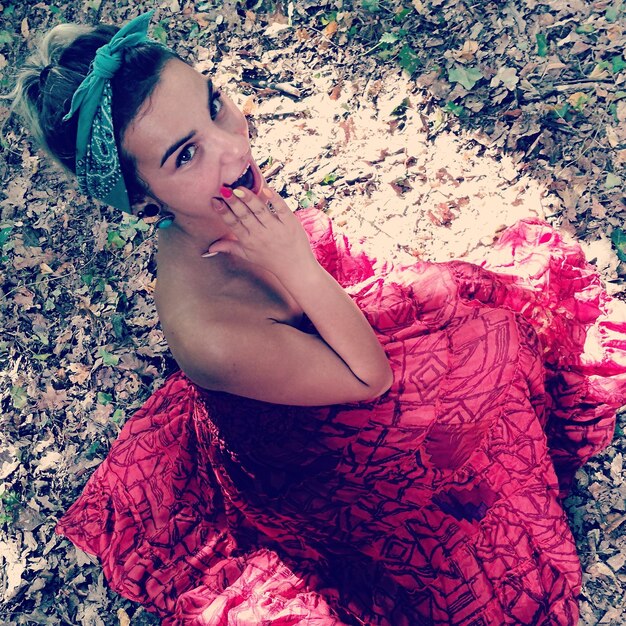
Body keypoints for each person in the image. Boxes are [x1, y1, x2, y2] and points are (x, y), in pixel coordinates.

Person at [9, 10, 626, 626]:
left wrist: (296, 266)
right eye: (186, 153)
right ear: (144, 198)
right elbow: (369, 379)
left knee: (492, 328)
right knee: (474, 392)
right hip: (317, 448)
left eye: (214, 104)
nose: (232, 149)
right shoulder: (211, 335)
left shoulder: (225, 200)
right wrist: (298, 267)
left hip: (317, 349)